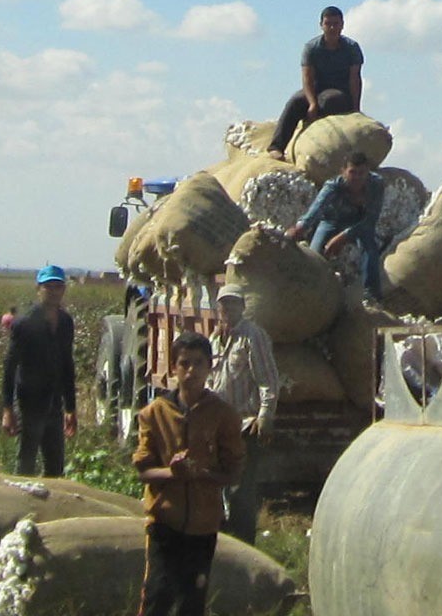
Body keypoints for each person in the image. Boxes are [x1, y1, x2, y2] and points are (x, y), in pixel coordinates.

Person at [133, 332, 246, 616]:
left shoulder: (223, 415)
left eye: (198, 363)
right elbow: (144, 470)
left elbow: (233, 472)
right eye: (184, 363)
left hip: (203, 525)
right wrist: (173, 473)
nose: (191, 371)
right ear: (174, 368)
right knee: (157, 596)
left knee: (191, 603)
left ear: (210, 367)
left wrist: (201, 473)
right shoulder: (154, 413)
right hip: (164, 523)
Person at [208, 284, 280, 545]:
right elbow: (211, 382)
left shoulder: (253, 337)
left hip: (245, 425)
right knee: (218, 488)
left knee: (240, 492)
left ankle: (244, 546)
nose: (228, 309)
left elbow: (268, 379)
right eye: (224, 304)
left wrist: (265, 415)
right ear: (218, 308)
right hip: (219, 427)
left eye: (233, 304)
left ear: (243, 307)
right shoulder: (215, 339)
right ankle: (225, 546)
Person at [1, 265, 77, 477]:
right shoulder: (25, 323)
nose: (53, 291)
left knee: (55, 467)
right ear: (38, 289)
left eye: (58, 287)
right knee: (26, 462)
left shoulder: (65, 322)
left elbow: (67, 364)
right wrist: (8, 409)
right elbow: (10, 366)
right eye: (48, 287)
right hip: (29, 402)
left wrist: (71, 407)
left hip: (54, 402)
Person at [266, 5, 364, 160]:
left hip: (339, 90)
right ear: (321, 25)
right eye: (328, 24)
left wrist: (356, 108)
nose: (332, 28)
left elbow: (355, 79)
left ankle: (325, 143)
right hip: (316, 88)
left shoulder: (352, 48)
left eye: (336, 24)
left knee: (330, 100)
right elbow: (307, 78)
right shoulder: (312, 48)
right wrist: (312, 103)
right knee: (295, 101)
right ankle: (277, 146)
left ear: (342, 25)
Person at [285, 152, 384, 301]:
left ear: (368, 172)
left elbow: (371, 219)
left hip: (360, 223)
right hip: (332, 220)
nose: (357, 178)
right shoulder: (333, 186)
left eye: (361, 173)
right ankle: (311, 290)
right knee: (315, 254)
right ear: (343, 171)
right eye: (352, 172)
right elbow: (316, 209)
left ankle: (371, 295)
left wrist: (344, 236)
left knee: (370, 249)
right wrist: (300, 228)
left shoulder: (376, 184)